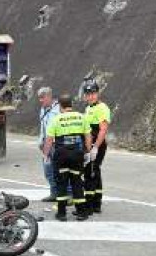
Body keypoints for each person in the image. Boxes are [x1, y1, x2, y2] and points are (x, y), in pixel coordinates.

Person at [43, 94, 91, 222]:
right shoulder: (81, 117)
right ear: (71, 104)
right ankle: (81, 212)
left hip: (61, 155)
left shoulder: (56, 119)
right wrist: (87, 152)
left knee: (61, 184)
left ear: (60, 106)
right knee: (77, 182)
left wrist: (46, 155)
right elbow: (88, 136)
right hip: (77, 154)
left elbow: (49, 139)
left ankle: (62, 213)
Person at [82, 81, 112, 214]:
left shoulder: (102, 108)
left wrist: (95, 148)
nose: (91, 96)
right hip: (90, 144)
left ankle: (89, 205)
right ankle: (96, 203)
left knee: (90, 173)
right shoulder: (88, 108)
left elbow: (103, 130)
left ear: (98, 93)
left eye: (93, 93)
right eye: (88, 94)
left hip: (97, 145)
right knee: (95, 172)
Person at [37, 87, 60, 202]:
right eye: (39, 98)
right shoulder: (43, 109)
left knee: (60, 171)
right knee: (48, 171)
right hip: (46, 144)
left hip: (56, 144)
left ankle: (68, 195)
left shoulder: (59, 109)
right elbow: (43, 127)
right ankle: (54, 193)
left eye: (43, 97)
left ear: (49, 96)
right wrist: (40, 141)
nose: (40, 100)